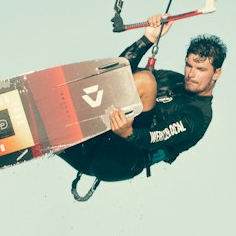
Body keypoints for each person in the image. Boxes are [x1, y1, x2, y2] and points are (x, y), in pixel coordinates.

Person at [59, 14, 226, 194]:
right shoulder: (172, 79)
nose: (191, 74)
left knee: (146, 80)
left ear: (216, 73)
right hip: (88, 149)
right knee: (129, 79)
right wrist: (148, 39)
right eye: (189, 66)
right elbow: (116, 76)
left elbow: (157, 136)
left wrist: (128, 133)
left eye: (200, 69)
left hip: (120, 162)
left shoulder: (197, 115)